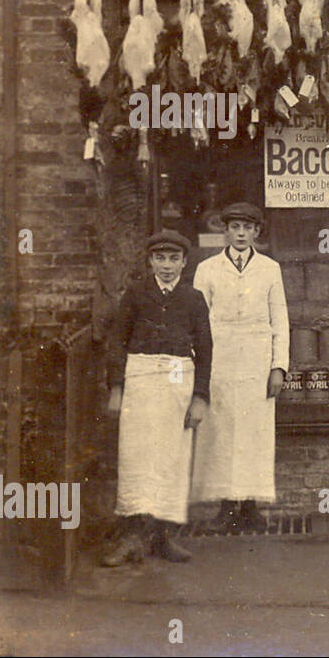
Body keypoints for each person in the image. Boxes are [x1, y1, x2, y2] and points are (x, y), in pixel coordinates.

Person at [102, 230, 212, 566]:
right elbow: (118, 341)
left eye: (173, 259)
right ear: (150, 260)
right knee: (136, 456)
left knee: (171, 458)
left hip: (179, 381)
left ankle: (162, 537)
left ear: (184, 261)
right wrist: (117, 388)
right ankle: (131, 536)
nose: (167, 266)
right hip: (140, 379)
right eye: (160, 258)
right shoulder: (136, 295)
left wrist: (199, 398)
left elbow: (206, 351)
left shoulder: (193, 299)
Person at [190, 202, 289, 534]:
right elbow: (197, 322)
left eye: (248, 228)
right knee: (219, 433)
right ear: (226, 231)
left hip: (256, 363)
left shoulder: (270, 269)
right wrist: (198, 366)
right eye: (235, 227)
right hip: (219, 360)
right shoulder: (207, 269)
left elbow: (281, 321)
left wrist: (278, 367)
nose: (241, 233)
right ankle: (225, 506)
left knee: (254, 433)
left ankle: (250, 506)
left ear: (257, 232)